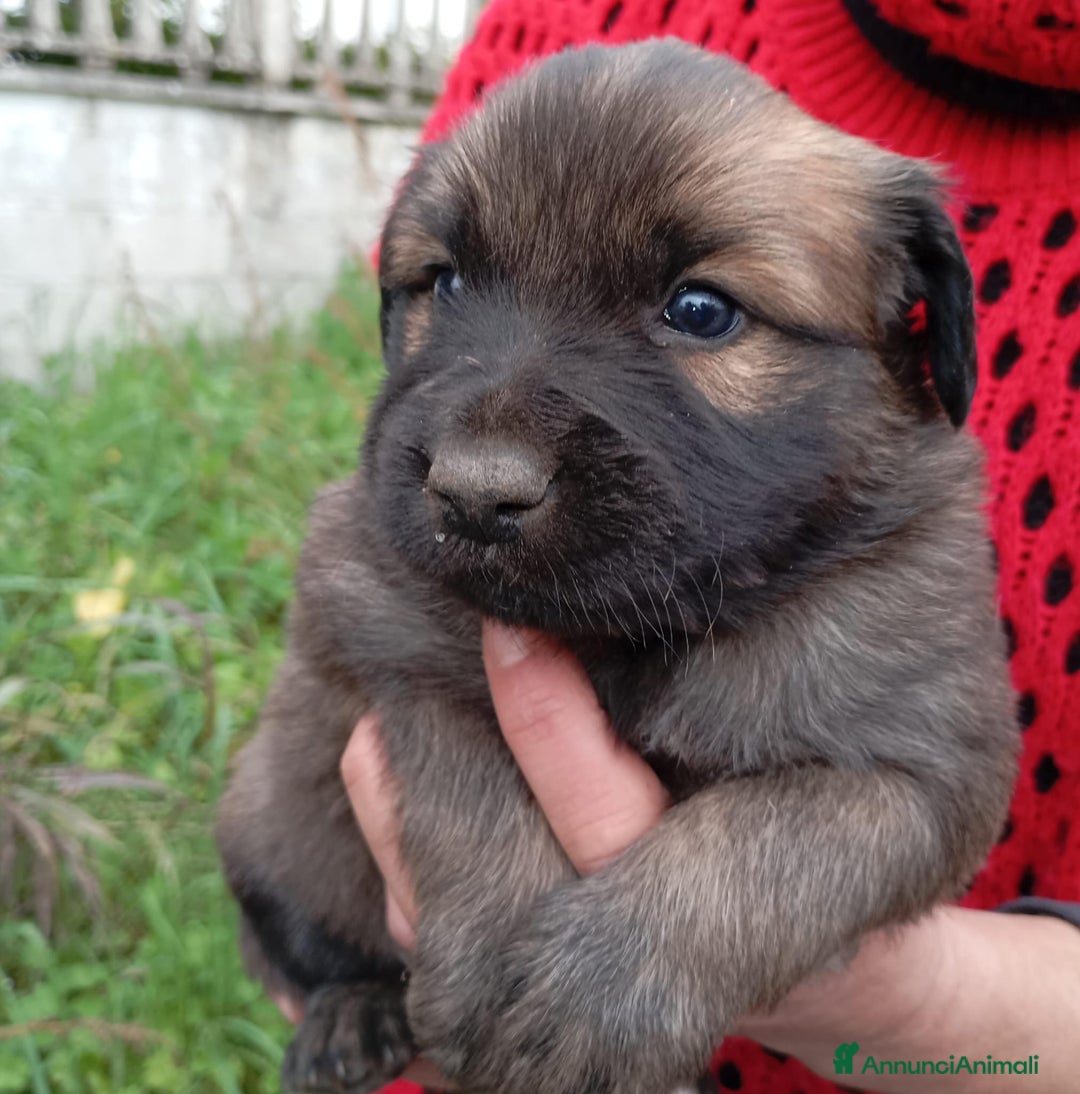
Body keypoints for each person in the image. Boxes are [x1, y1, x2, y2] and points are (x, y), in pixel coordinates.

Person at [334, 1, 1080, 1090]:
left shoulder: (894, 578)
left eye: (700, 310)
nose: (479, 461)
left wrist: (686, 942)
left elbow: (918, 783)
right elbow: (361, 634)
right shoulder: (557, 19)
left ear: (920, 342)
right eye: (448, 284)